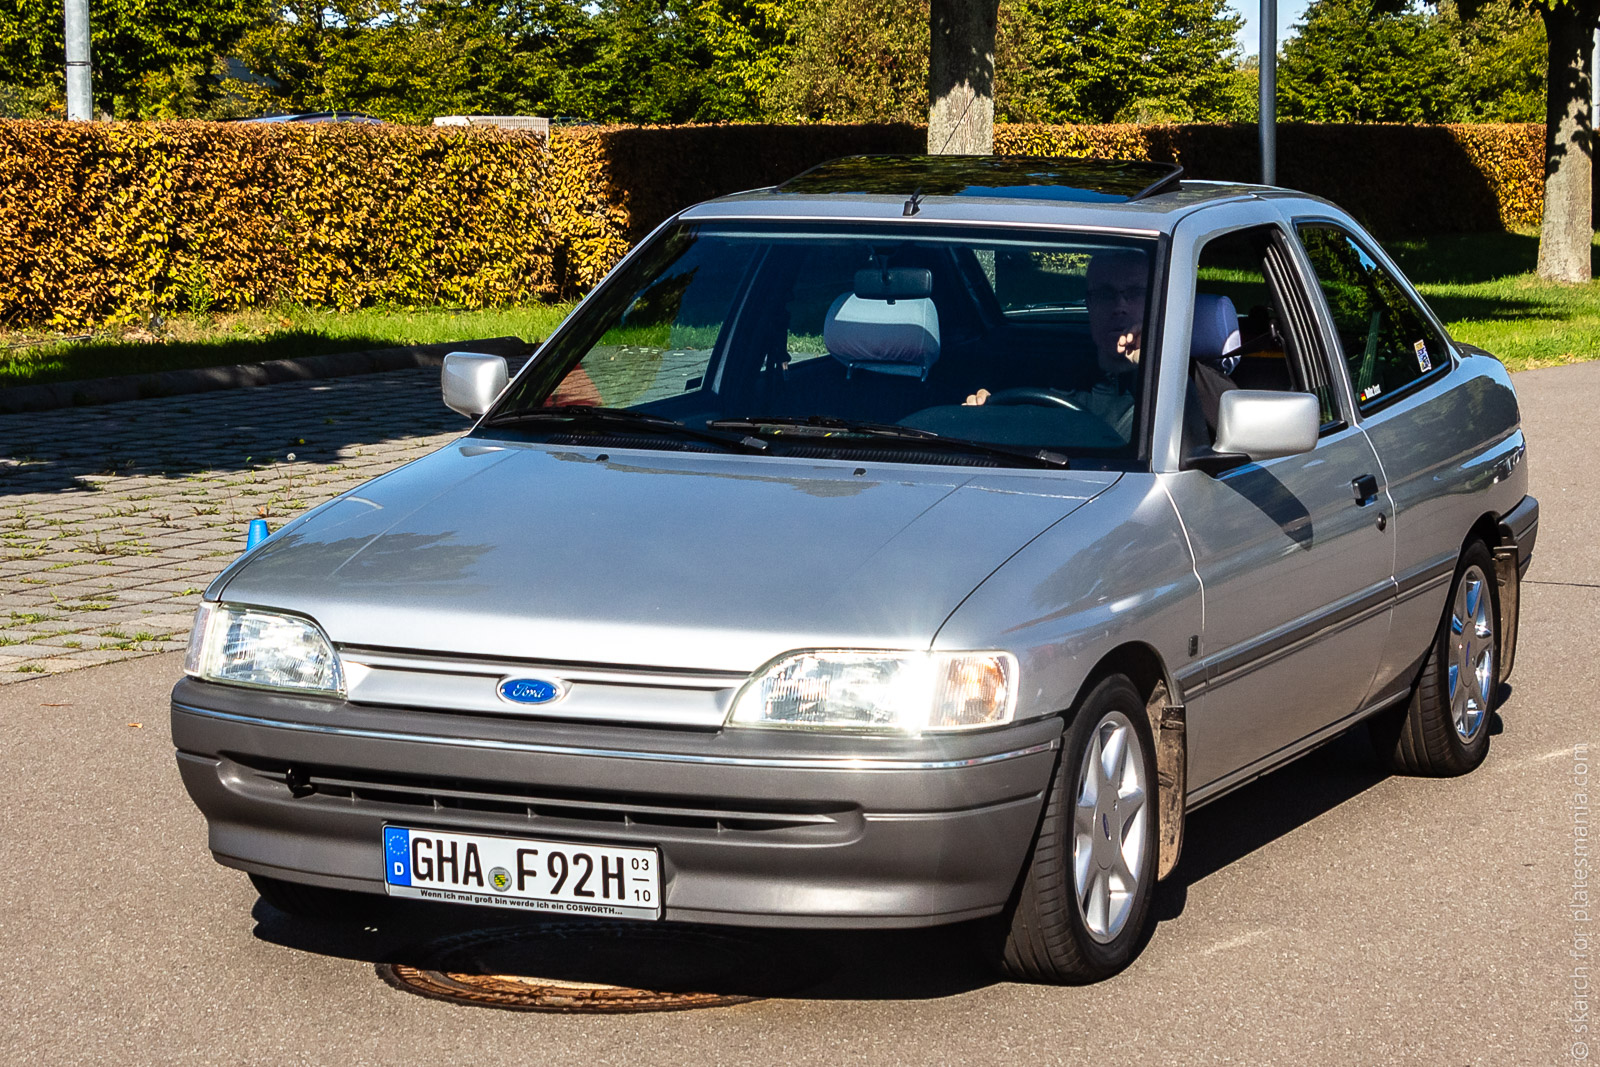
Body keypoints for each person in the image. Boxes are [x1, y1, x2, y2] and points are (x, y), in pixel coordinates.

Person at [963, 249, 1148, 440]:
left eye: (1135, 293)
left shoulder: (1169, 385)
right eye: (1105, 294)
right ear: (1089, 304)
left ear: (1155, 300)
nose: (1119, 307)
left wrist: (1151, 363)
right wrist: (983, 416)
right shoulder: (1047, 379)